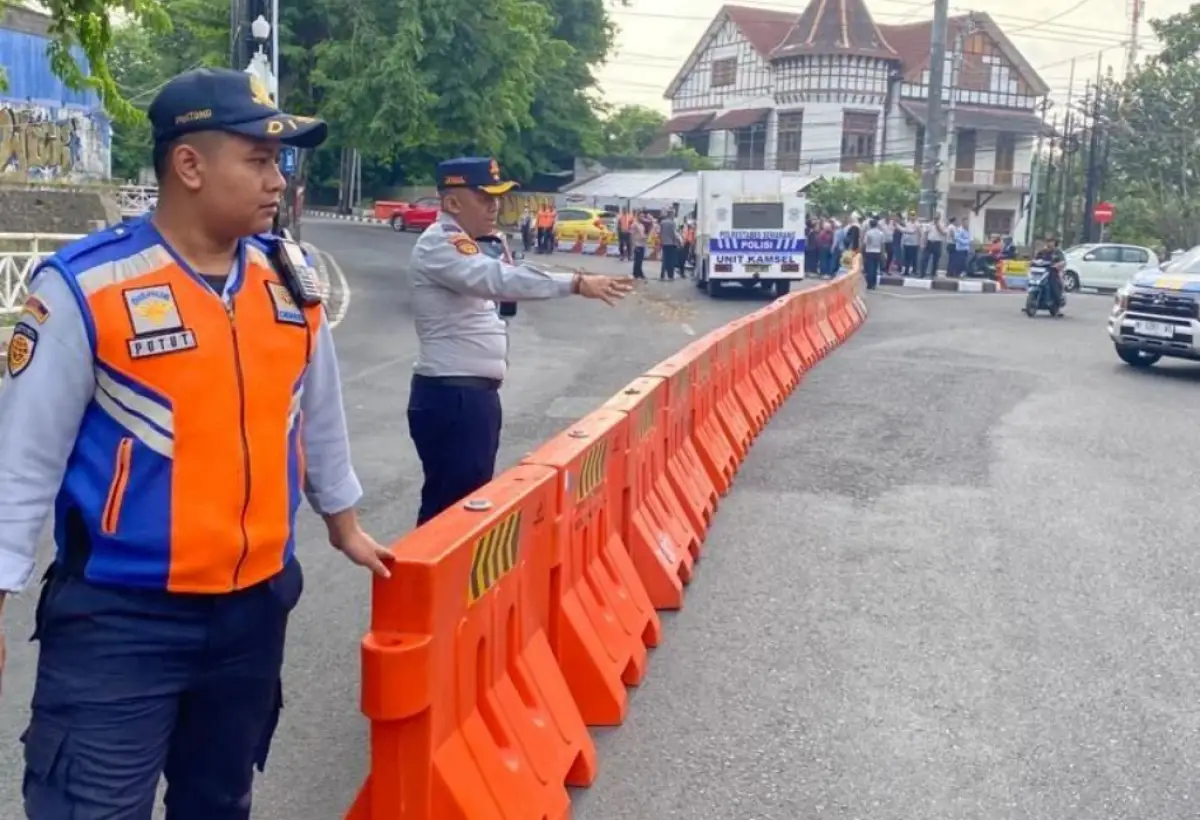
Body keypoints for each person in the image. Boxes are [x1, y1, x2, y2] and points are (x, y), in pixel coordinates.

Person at [0, 67, 391, 820]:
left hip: (252, 614)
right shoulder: (87, 286)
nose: (278, 180)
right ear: (189, 164)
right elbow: (22, 459)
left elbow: (317, 411)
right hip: (121, 622)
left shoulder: (289, 280)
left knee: (219, 802)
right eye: (258, 159)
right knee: (91, 807)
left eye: (280, 162)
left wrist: (343, 522)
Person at [407, 157, 634, 525]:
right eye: (485, 198)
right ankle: (425, 584)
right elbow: (498, 280)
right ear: (451, 203)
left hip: (467, 397)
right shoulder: (441, 244)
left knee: (458, 511)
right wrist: (574, 283)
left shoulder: (468, 242)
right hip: (455, 398)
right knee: (450, 516)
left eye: (497, 197)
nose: (495, 206)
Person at [1034, 236, 1067, 313]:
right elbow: (1036, 259)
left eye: (1051, 241)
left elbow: (1063, 261)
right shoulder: (1042, 252)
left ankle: (1057, 303)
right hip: (1042, 272)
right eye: (1048, 241)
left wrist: (1058, 265)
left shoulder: (1057, 252)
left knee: (1054, 284)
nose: (1049, 243)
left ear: (1054, 243)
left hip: (1053, 272)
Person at [862, 217, 886, 289]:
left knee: (870, 268)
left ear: (870, 225)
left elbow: (865, 243)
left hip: (869, 251)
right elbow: (882, 245)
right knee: (875, 269)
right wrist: (883, 253)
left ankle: (869, 284)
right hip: (878, 252)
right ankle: (874, 284)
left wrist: (862, 251)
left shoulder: (868, 233)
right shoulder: (881, 233)